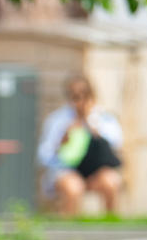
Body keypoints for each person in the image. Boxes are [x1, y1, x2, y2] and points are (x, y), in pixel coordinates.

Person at [37, 74, 123, 216]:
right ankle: (70, 232)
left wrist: (92, 127)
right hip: (68, 169)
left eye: (84, 94)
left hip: (97, 170)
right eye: (75, 96)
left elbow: (116, 144)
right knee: (73, 188)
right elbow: (44, 155)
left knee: (111, 181)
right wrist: (62, 141)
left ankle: (110, 223)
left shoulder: (104, 118)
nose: (79, 100)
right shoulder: (57, 120)